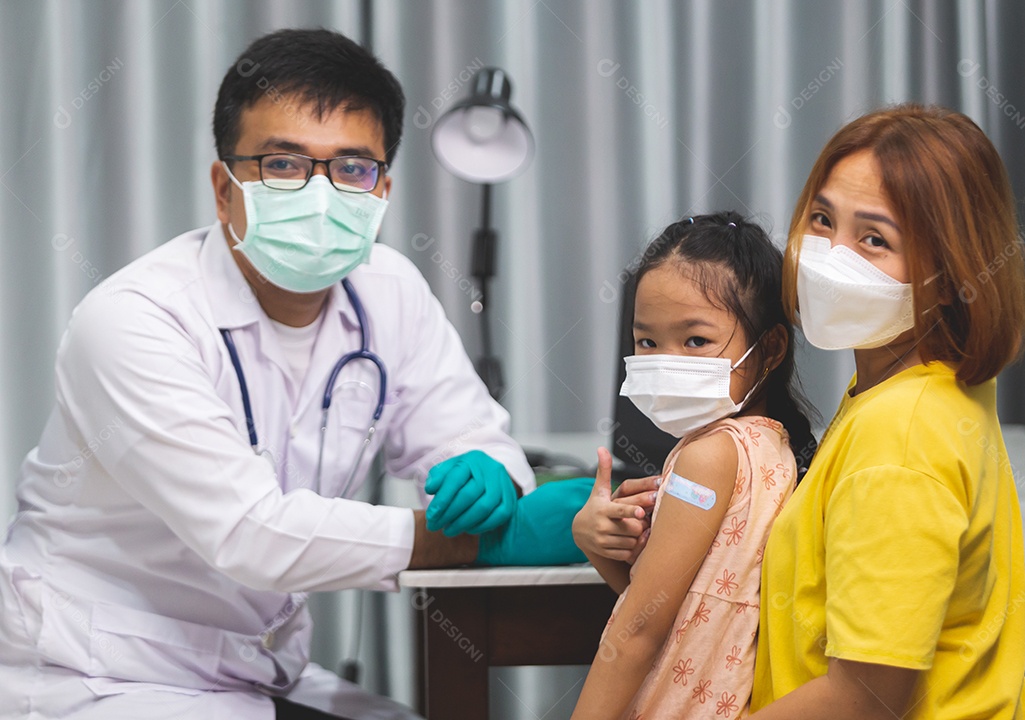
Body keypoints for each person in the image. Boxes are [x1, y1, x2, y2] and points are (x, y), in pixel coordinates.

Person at [0, 29, 586, 720]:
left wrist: (488, 474)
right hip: (103, 671)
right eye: (282, 164)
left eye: (352, 168)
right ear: (224, 189)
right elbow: (251, 533)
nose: (319, 192)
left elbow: (474, 437)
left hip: (257, 668)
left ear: (382, 191)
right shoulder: (133, 320)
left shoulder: (389, 290)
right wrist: (471, 542)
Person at [749, 105, 1025, 718]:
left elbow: (862, 700)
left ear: (950, 268)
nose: (831, 254)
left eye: (874, 239)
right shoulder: (923, 390)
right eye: (823, 219)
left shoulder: (899, 438)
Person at [571, 212, 817, 719]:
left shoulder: (705, 459)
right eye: (647, 341)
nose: (666, 359)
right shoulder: (775, 448)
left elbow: (639, 627)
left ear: (769, 347)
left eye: (696, 341)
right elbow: (687, 608)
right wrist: (598, 546)